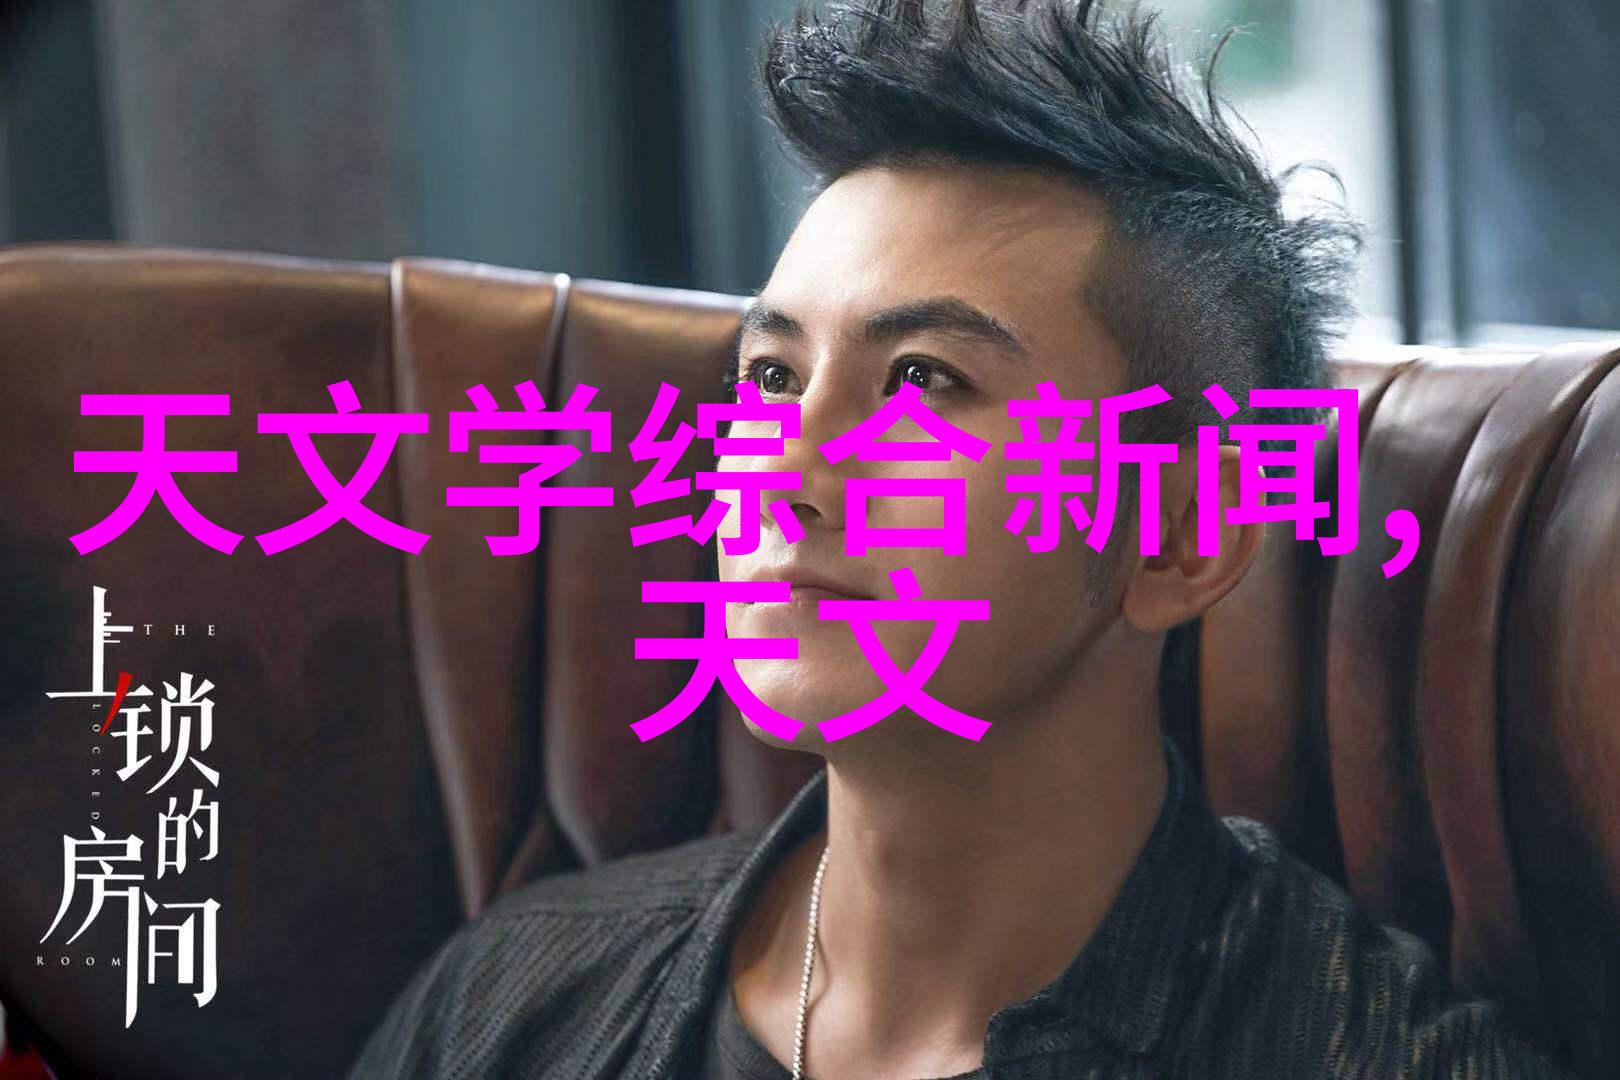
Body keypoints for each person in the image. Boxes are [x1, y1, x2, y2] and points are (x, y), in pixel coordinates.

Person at [348, 1, 1573, 1076]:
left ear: (1182, 539)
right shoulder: (515, 1002)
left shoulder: (1378, 1057)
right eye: (772, 375)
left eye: (924, 381)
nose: (784, 471)